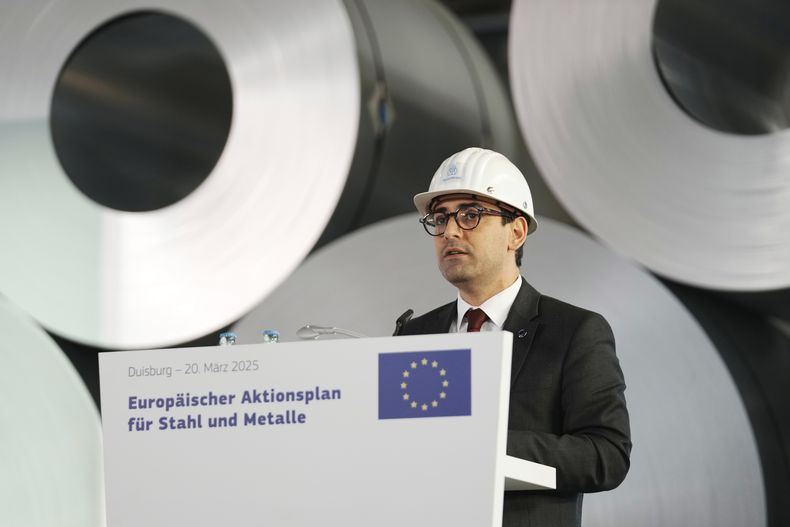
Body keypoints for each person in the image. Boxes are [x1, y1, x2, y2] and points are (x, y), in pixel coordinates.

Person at [399, 147, 631, 527]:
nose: (450, 231)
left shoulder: (574, 332)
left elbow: (606, 455)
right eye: (440, 219)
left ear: (517, 232)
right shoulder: (413, 335)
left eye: (471, 215)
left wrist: (485, 444)